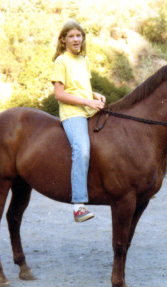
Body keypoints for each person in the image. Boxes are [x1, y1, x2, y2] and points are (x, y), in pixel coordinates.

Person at [52, 19, 106, 222]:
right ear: (64, 39)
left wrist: (95, 95)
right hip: (72, 113)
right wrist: (86, 101)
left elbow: (82, 87)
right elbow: (59, 93)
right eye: (71, 36)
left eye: (79, 35)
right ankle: (79, 206)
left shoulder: (84, 60)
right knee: (81, 149)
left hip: (88, 108)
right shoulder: (61, 61)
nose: (76, 39)